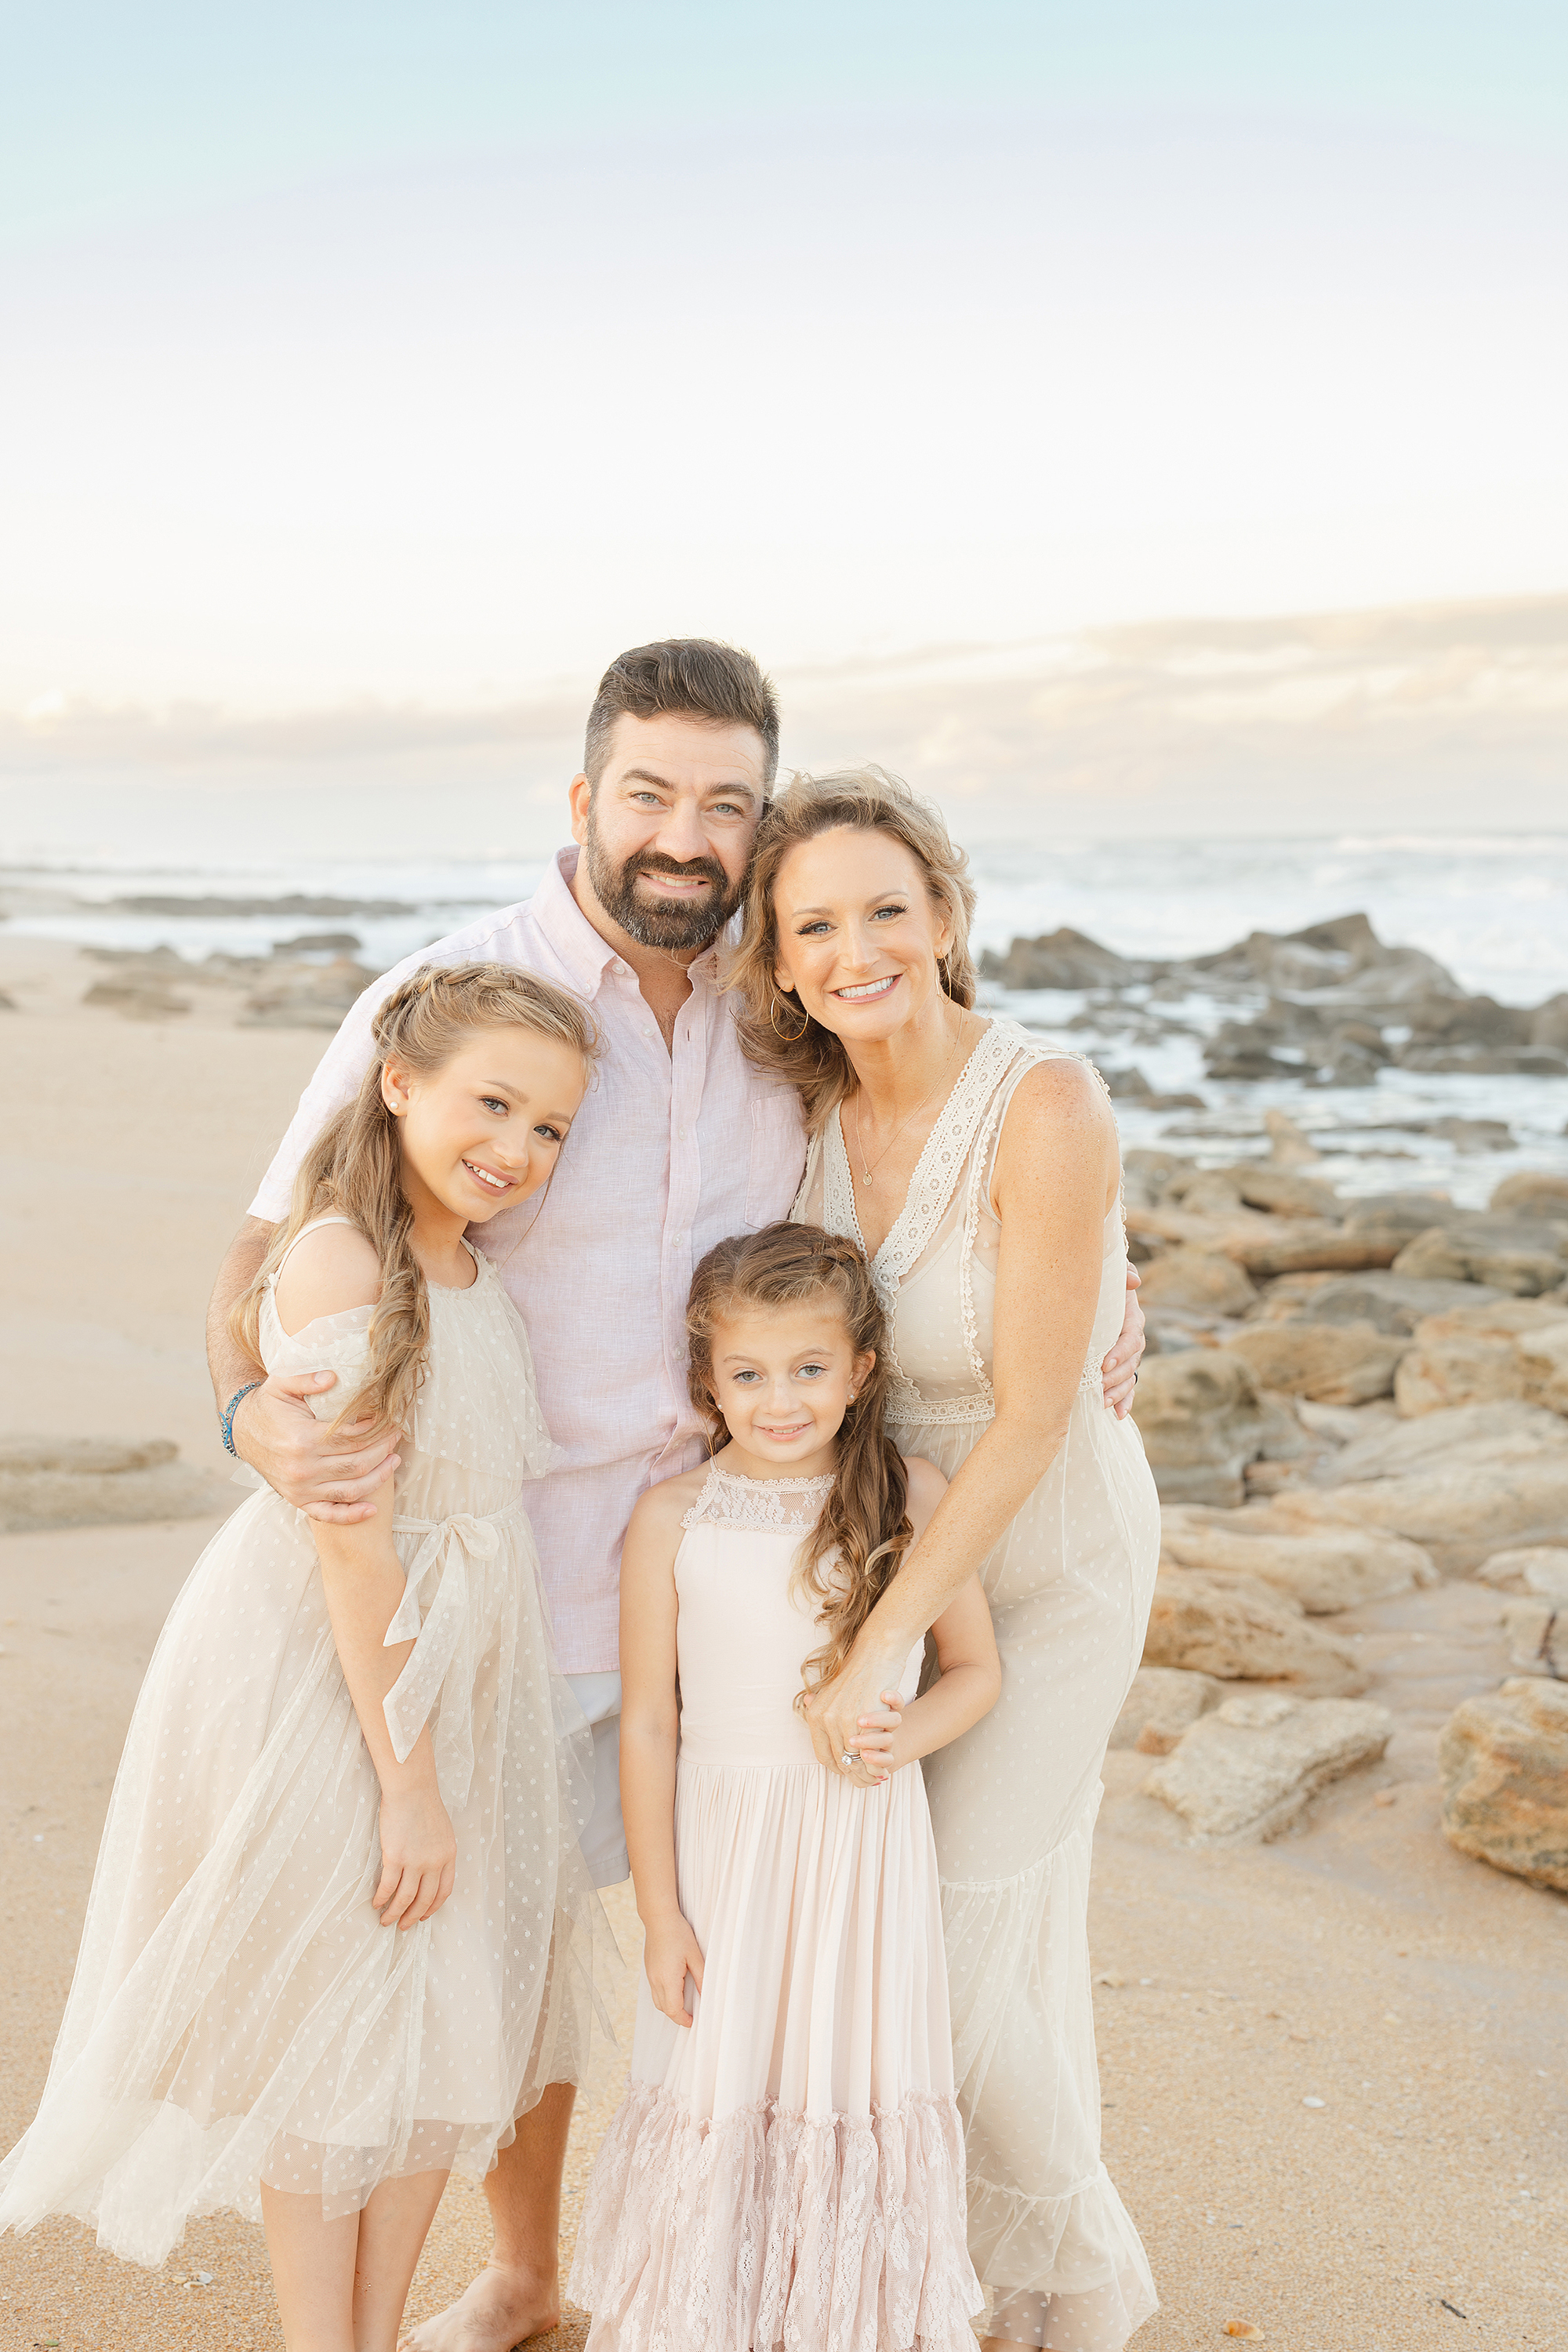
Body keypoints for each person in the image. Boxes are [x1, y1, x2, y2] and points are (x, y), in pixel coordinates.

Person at [202, 639, 1146, 2351]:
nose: (685, 835)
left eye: (725, 804)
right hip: (497, 1555)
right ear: (583, 799)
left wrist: (1105, 1291)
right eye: (649, 793)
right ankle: (530, 2276)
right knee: (484, 1956)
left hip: (750, 1564)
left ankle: (888, 2278)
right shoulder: (457, 993)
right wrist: (245, 1413)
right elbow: (273, 1246)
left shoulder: (775, 1018)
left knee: (811, 1935)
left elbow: (940, 1205)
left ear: (763, 822)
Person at [0, 964, 607, 2352]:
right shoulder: (342, 1259)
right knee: (337, 2022)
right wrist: (408, 1781)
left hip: (463, 1667)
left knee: (439, 2025)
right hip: (339, 1678)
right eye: (491, 1104)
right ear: (399, 1085)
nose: (515, 1149)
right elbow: (351, 1544)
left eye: (551, 1127)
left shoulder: (473, 1264)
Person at [728, 767, 1162, 2352]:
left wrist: (880, 1638)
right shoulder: (801, 1124)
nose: (858, 950)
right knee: (906, 1948)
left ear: (948, 919)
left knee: (959, 1957)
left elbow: (1036, 1411)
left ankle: (1093, 2273)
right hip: (897, 1580)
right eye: (815, 924)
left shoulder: (1044, 1099)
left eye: (886, 911)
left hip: (1047, 1577)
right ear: (775, 962)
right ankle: (998, 2279)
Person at [570, 1224, 999, 2351]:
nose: (780, 1401)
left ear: (862, 1372)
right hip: (723, 1851)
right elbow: (651, 1724)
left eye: (810, 1370)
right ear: (707, 1379)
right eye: (748, 1374)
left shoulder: (913, 1491)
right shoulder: (673, 1516)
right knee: (724, 2071)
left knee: (843, 2078)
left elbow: (976, 1673)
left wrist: (903, 1742)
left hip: (860, 1842)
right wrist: (661, 1913)